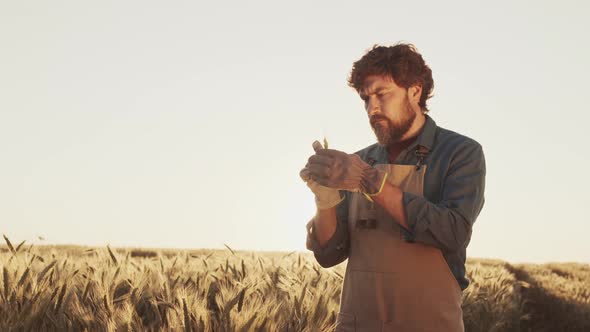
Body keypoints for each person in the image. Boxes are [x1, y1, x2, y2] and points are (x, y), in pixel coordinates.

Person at [300, 43, 486, 331]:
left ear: (415, 91)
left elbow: (452, 232)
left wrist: (368, 181)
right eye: (365, 98)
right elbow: (329, 255)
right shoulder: (361, 159)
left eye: (382, 94)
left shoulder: (460, 153)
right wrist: (325, 201)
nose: (372, 108)